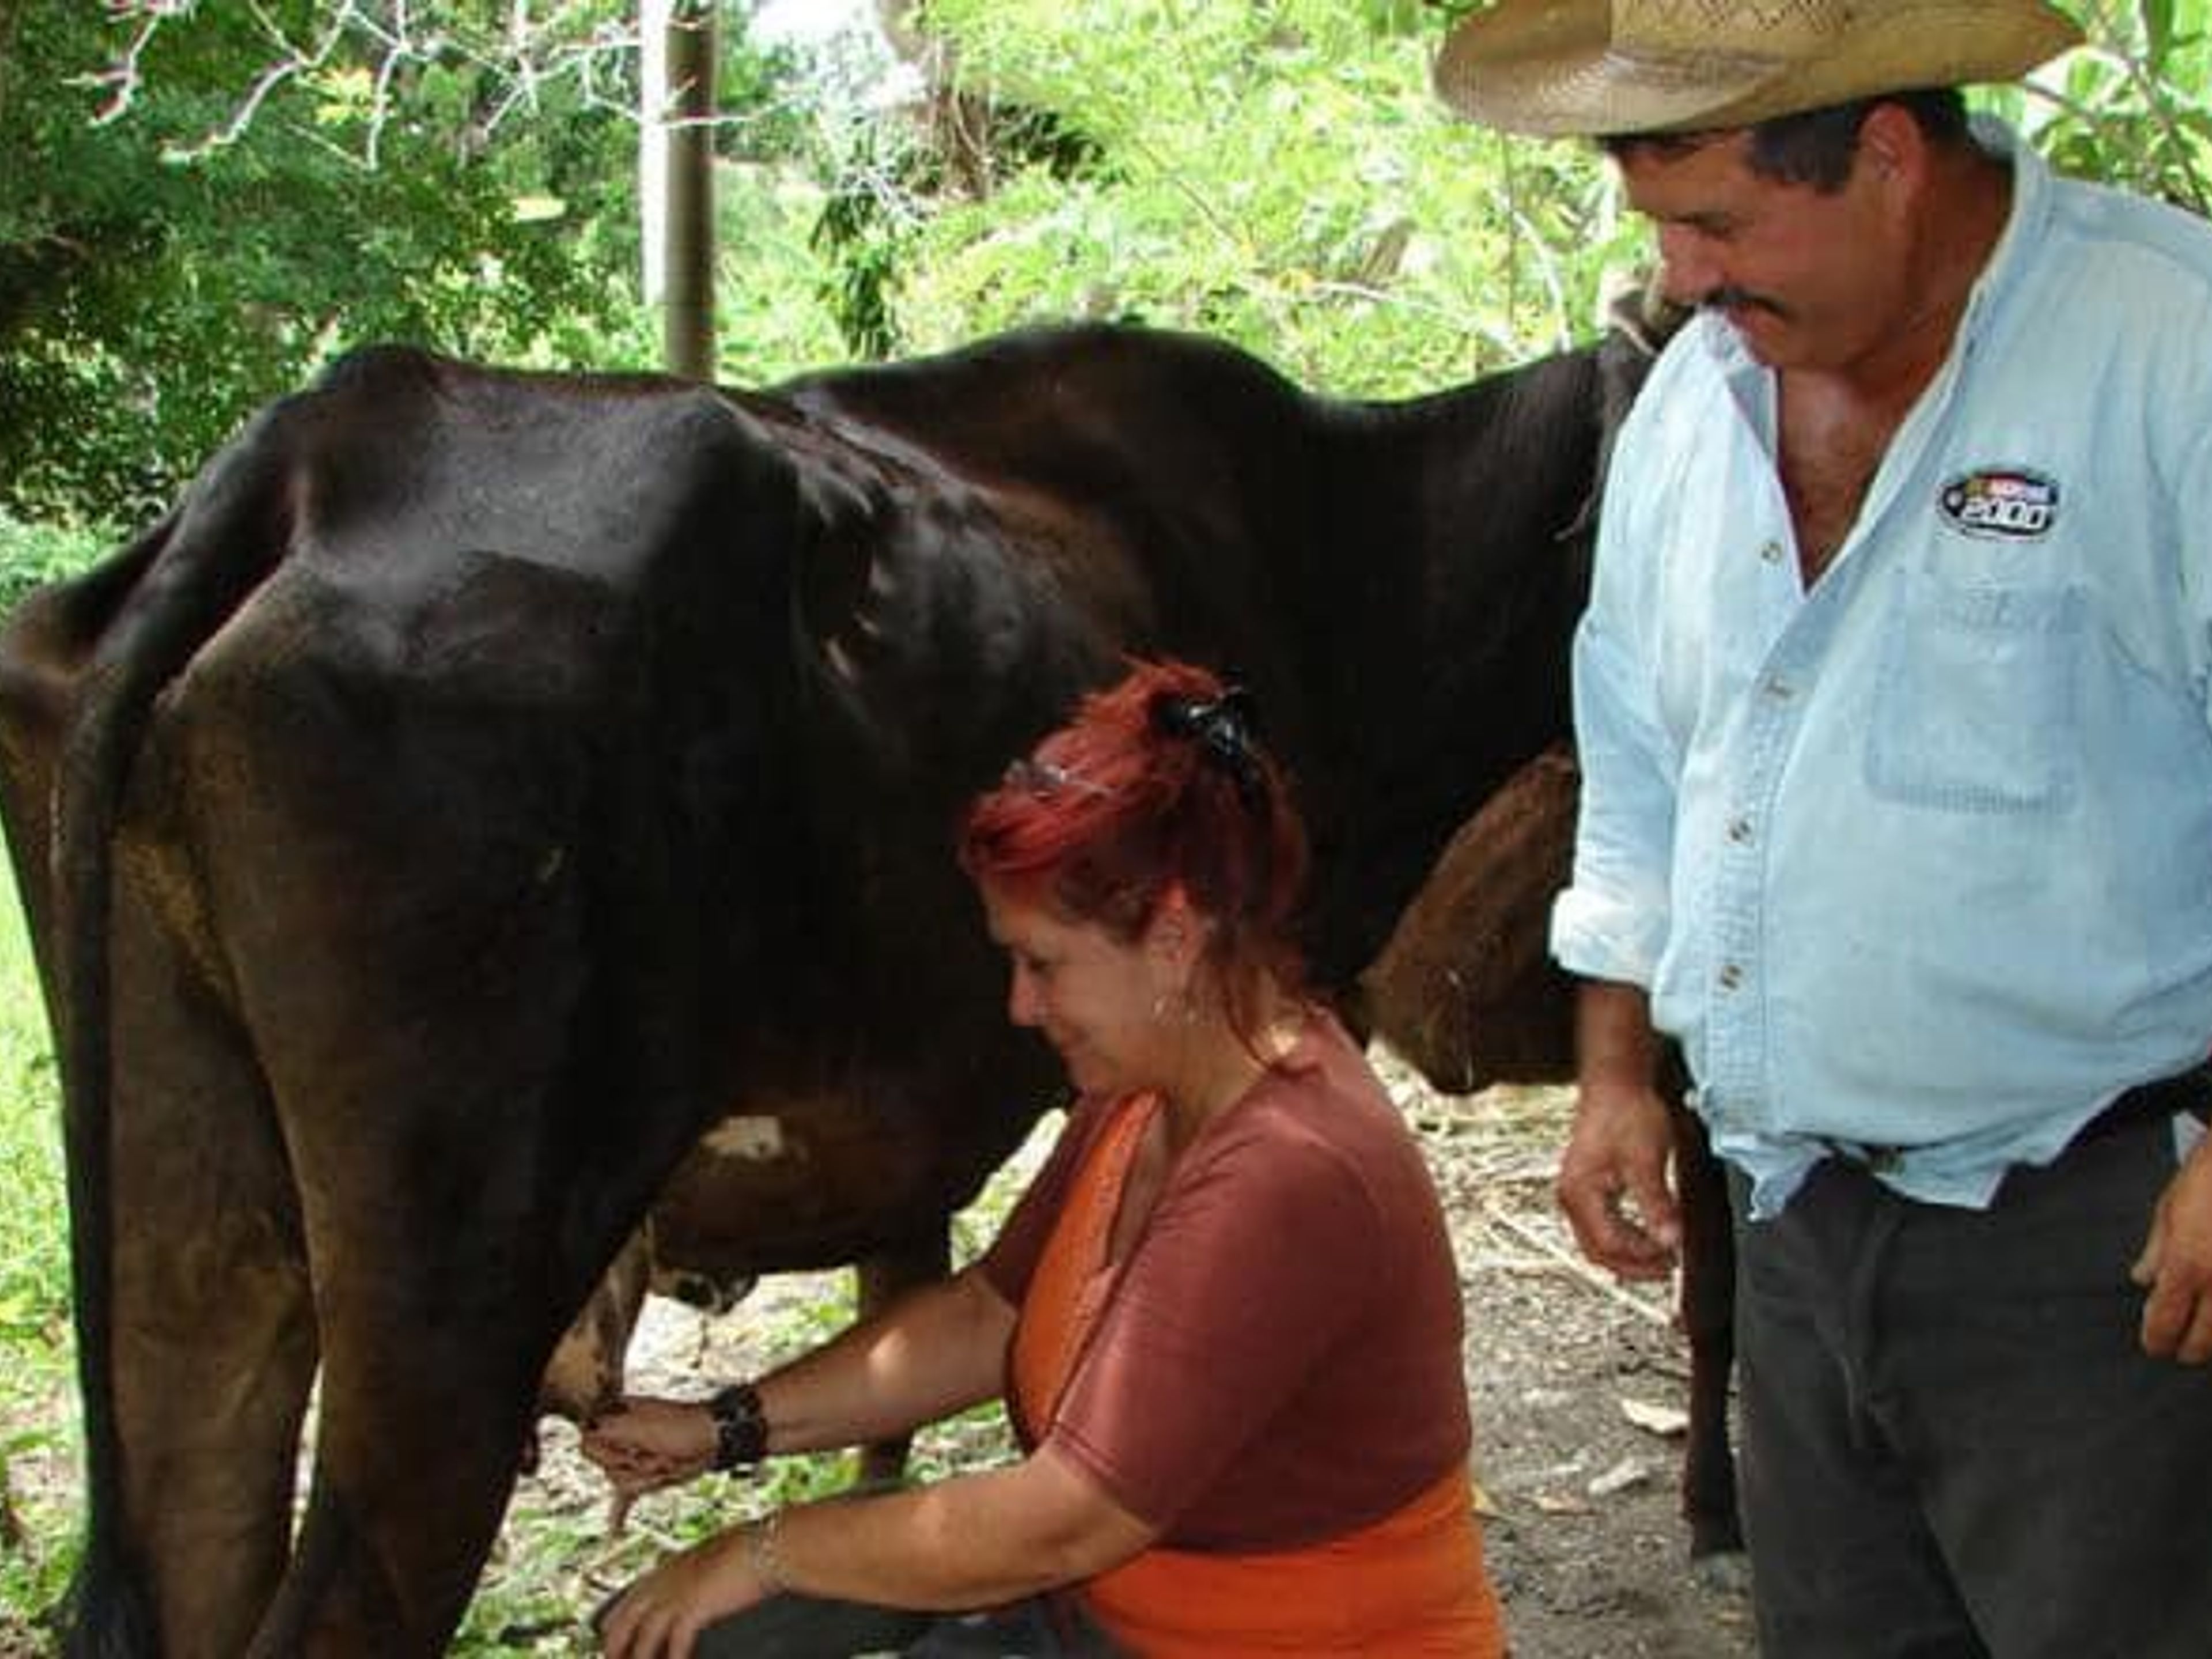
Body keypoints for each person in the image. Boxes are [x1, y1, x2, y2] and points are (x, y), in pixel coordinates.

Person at [1434, 0, 2212, 1653]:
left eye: (1719, 222)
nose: (1686, 280)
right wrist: (1620, 1074)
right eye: (1662, 229)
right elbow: (1643, 759)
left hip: (2104, 1249)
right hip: (1794, 1224)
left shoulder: (2167, 350)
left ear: (1885, 155)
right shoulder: (1693, 412)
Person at [582, 657, 1506, 1658]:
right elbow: (989, 1314)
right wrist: (724, 1428)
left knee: (726, 1609)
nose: (1021, 1006)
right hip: (1097, 1622)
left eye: (1044, 964)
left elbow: (1065, 1518)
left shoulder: (1291, 1167)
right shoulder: (1151, 1091)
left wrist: (762, 1549)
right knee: (671, 1639)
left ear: (1174, 938)